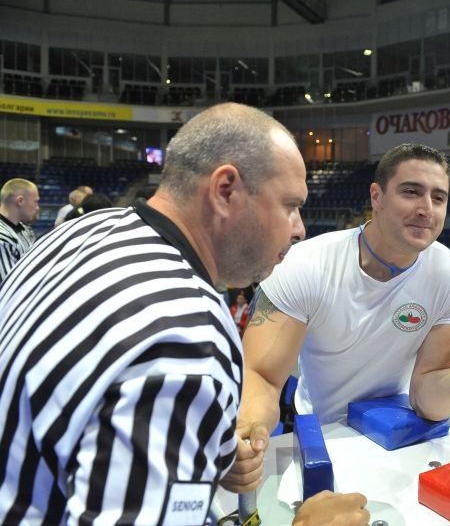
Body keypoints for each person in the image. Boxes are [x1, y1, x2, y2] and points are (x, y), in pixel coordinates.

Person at [0, 103, 368, 524]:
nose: (299, 228)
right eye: (289, 205)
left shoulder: (78, 232)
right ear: (225, 190)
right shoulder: (187, 331)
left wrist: (207, 451)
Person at [227, 143, 450, 487]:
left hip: (400, 430)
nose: (426, 209)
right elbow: (262, 373)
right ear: (376, 196)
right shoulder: (305, 265)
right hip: (321, 432)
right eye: (411, 192)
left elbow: (429, 397)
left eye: (439, 198)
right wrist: (250, 431)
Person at [0, 177, 39, 282]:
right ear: (20, 201)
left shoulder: (24, 228)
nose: (37, 207)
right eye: (35, 202)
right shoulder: (3, 238)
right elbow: (8, 286)